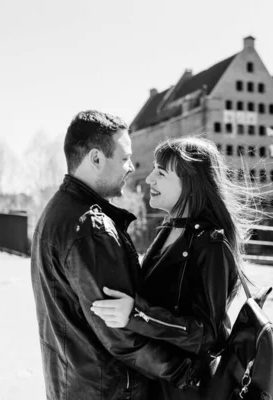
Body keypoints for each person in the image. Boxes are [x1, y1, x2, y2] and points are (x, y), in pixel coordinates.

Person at [30, 110, 201, 400]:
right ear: (96, 159)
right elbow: (121, 334)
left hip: (70, 386)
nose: (131, 167)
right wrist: (185, 371)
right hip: (109, 391)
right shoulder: (91, 228)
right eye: (124, 158)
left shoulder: (54, 212)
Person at [91, 136, 263, 399]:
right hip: (157, 380)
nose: (149, 180)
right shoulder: (169, 229)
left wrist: (137, 314)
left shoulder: (211, 243)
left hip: (188, 389)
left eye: (161, 173)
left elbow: (206, 334)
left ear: (190, 184)